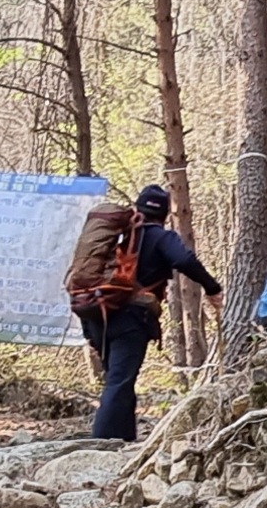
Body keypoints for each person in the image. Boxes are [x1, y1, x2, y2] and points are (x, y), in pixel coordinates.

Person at [72, 184, 221, 442]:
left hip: (97, 311)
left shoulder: (116, 235)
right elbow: (184, 260)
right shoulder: (160, 237)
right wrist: (212, 288)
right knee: (120, 380)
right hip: (131, 318)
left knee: (118, 379)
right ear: (164, 213)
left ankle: (124, 438)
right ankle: (101, 444)